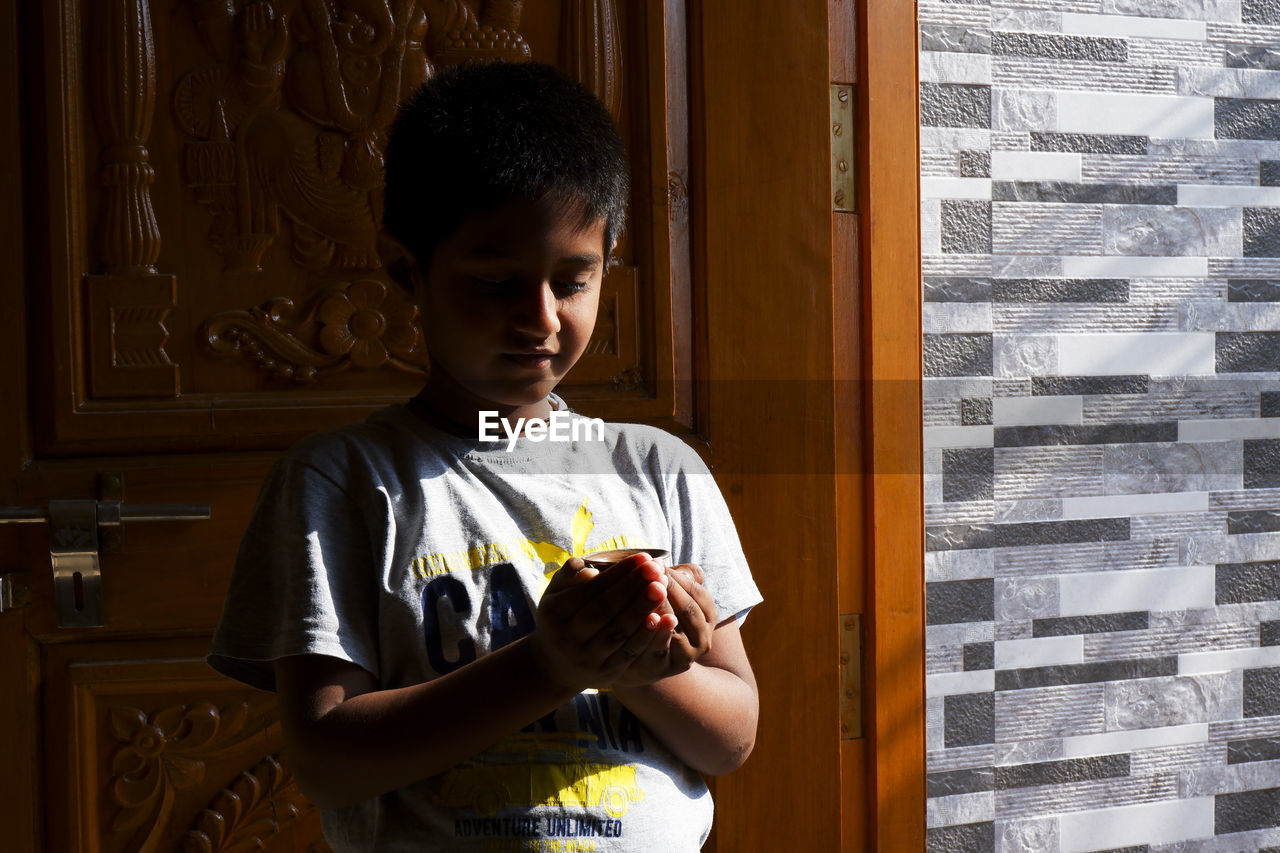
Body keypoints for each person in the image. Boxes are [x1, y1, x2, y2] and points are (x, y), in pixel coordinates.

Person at [208, 60, 762, 853]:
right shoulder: (343, 482)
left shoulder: (660, 471)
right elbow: (327, 760)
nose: (540, 319)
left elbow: (731, 737)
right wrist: (551, 664)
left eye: (573, 280)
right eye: (497, 282)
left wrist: (643, 663)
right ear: (409, 270)